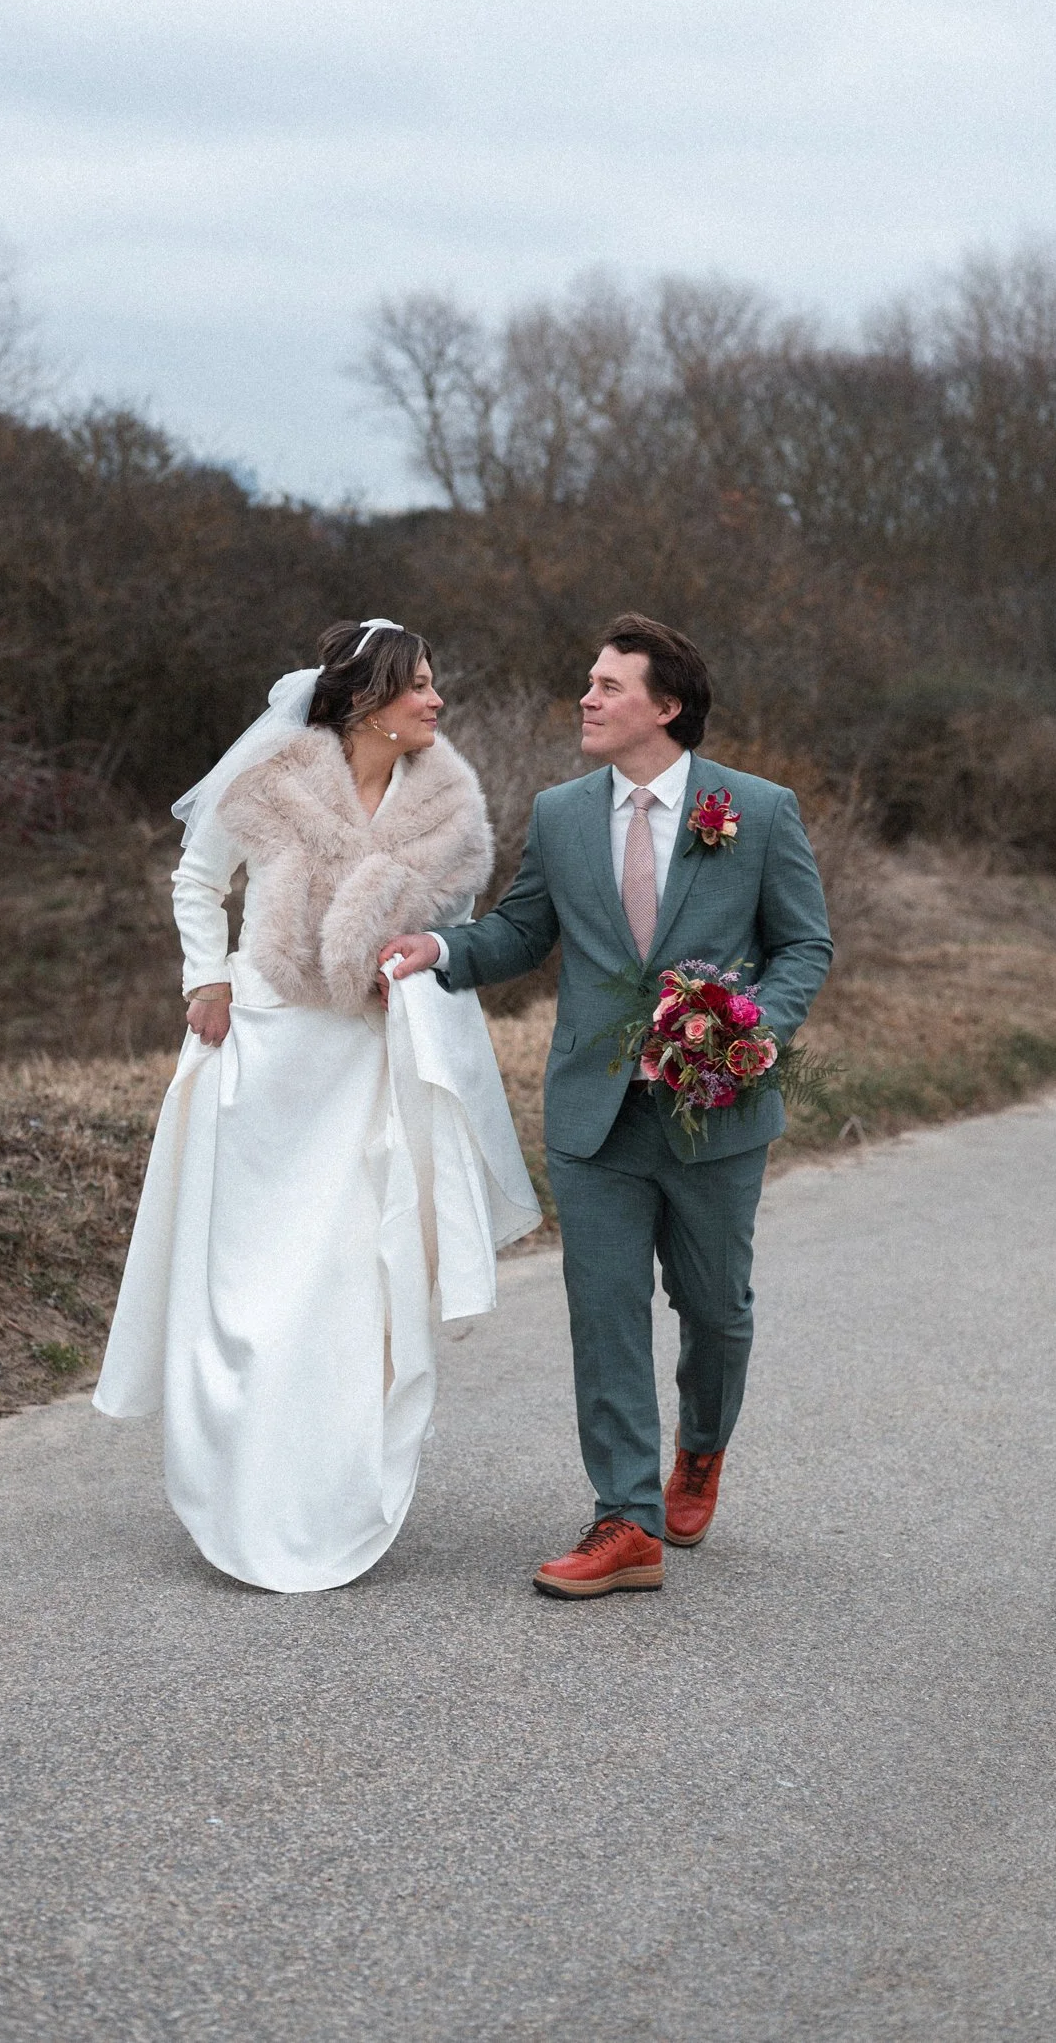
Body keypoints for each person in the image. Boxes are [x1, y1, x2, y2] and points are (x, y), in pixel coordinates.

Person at [381, 613, 832, 1599]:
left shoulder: (755, 811)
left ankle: (700, 1447)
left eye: (608, 685)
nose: (585, 697)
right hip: (593, 1115)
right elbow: (519, 930)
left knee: (714, 1310)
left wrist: (749, 1026)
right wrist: (444, 951)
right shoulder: (558, 813)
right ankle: (623, 1520)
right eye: (587, 681)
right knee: (602, 1312)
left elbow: (804, 944)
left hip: (714, 1110)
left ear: (664, 708)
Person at [94, 619, 540, 1592]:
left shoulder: (452, 808)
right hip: (260, 1050)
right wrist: (202, 979)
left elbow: (452, 934)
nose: (435, 701)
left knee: (346, 1276)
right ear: (362, 702)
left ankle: (333, 1488)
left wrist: (412, 971)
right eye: (417, 686)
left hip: (364, 1061)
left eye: (433, 683)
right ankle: (234, 1477)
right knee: (247, 1280)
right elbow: (198, 878)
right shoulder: (273, 777)